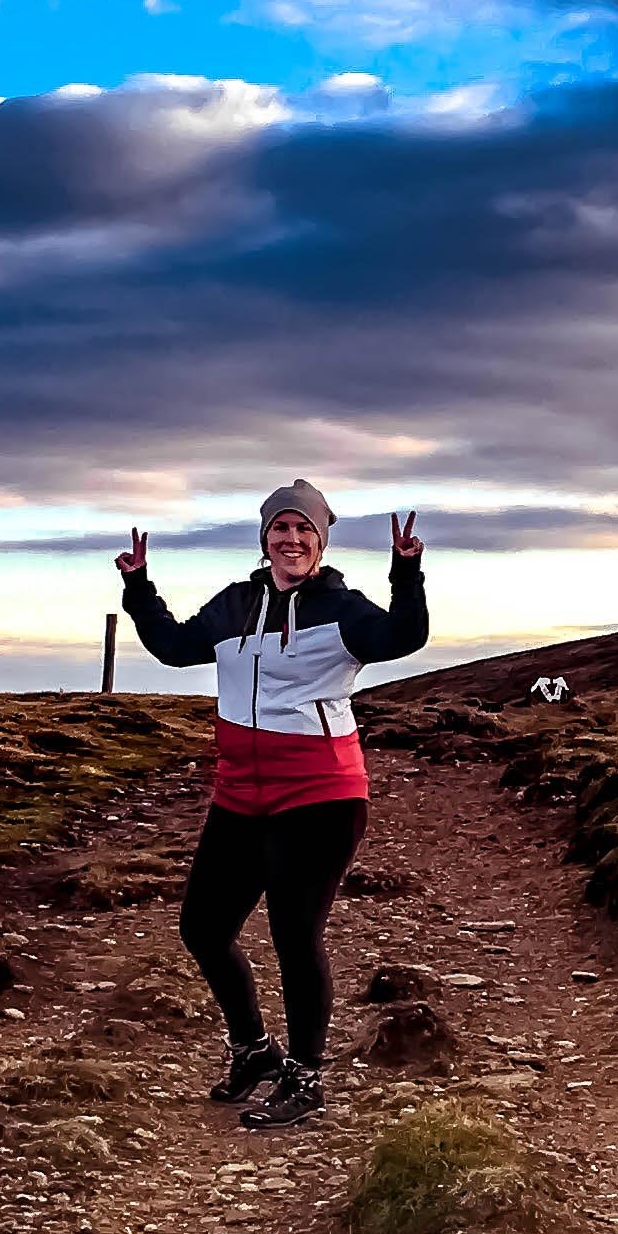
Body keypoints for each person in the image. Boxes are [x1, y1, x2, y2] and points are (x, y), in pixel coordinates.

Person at [115, 481, 427, 1128]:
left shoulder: (343, 608)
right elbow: (174, 648)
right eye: (280, 530)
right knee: (203, 929)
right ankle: (254, 1049)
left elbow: (404, 636)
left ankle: (306, 1077)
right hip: (240, 794)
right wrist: (140, 588)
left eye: (303, 531)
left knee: (293, 936)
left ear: (320, 542)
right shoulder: (235, 605)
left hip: (320, 793)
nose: (291, 540)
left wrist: (406, 571)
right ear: (265, 540)